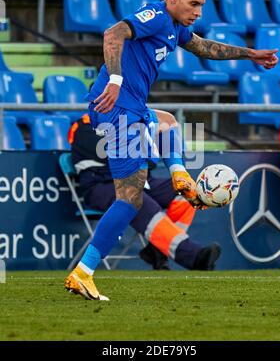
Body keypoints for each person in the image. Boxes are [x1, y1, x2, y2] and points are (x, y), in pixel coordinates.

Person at [65, 0, 278, 301]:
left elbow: (204, 47)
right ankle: (84, 272)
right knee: (130, 197)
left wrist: (251, 54)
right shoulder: (156, 15)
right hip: (118, 106)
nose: (198, 12)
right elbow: (113, 33)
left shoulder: (176, 28)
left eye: (202, 6)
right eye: (194, 4)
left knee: (166, 123)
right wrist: (116, 80)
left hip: (134, 109)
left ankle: (179, 174)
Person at [68, 113, 218, 271]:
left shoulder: (129, 121)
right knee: (135, 198)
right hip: (101, 185)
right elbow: (109, 154)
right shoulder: (84, 125)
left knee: (185, 192)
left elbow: (148, 158)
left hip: (140, 179)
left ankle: (157, 251)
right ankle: (194, 257)